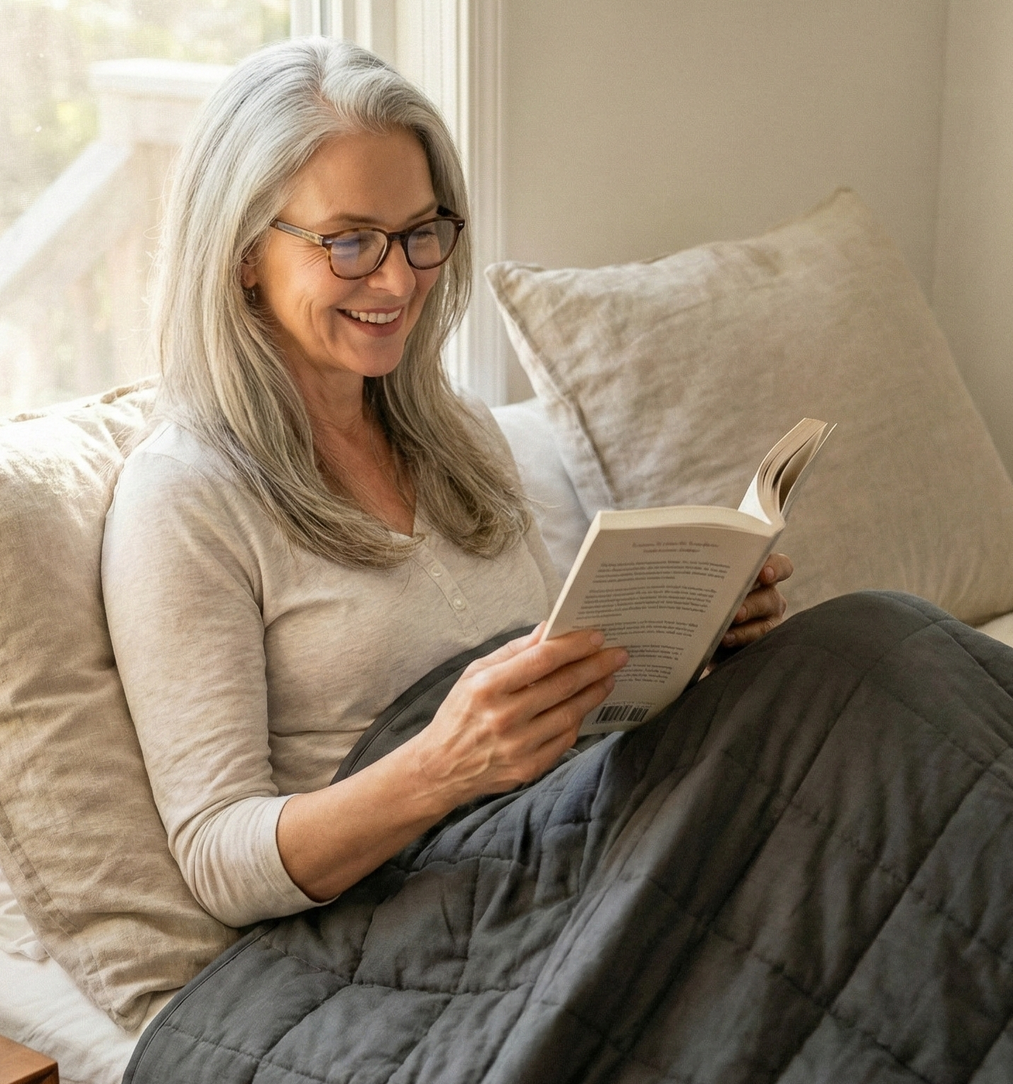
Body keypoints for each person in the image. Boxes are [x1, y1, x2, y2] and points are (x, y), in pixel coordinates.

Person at [102, 37, 790, 929]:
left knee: (859, 661)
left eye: (419, 233)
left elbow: (563, 712)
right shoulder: (184, 498)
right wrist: (439, 767)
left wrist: (695, 644)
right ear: (240, 253)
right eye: (349, 241)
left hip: (575, 839)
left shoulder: (455, 431)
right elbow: (217, 859)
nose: (397, 279)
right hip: (426, 916)